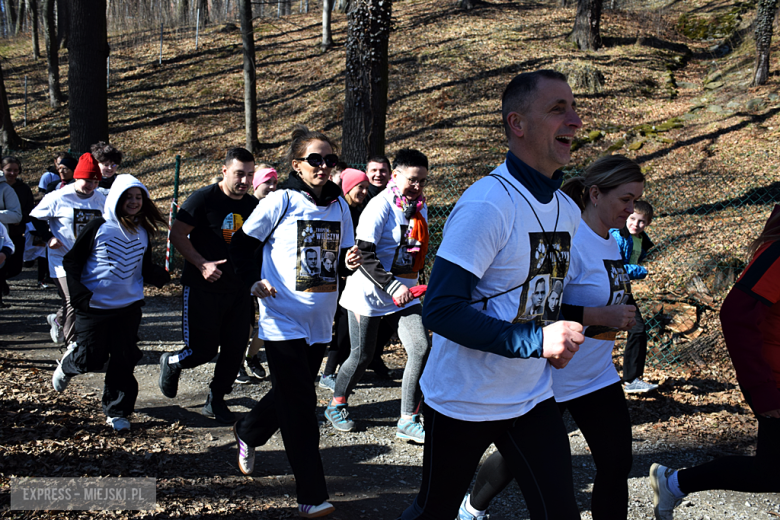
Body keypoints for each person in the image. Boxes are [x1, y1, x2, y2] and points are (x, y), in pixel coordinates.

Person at [398, 69, 584, 520]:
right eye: (558, 109)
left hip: (530, 398)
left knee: (560, 513)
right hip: (463, 399)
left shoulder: (565, 207)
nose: (575, 120)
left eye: (574, 108)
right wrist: (537, 341)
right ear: (517, 123)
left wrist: (576, 326)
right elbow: (441, 310)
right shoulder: (488, 203)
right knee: (434, 511)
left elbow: (535, 296)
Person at [458, 154, 645, 520]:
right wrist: (598, 316)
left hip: (597, 374)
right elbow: (542, 306)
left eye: (635, 200)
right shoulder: (572, 239)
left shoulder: (612, 241)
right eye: (626, 199)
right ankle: (471, 508)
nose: (632, 208)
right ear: (595, 193)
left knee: (617, 463)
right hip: (553, 377)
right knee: (516, 461)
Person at [229, 125, 361, 518]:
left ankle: (248, 431)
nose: (323, 166)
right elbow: (241, 245)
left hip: (320, 320)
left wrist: (347, 263)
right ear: (297, 165)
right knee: (301, 405)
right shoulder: (280, 201)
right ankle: (312, 495)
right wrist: (253, 280)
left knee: (291, 394)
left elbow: (338, 260)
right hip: (282, 317)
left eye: (330, 160)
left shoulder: (339, 207)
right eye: (314, 160)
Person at [649, 205, 780, 520]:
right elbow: (736, 313)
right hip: (774, 383)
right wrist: (761, 389)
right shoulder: (777, 254)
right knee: (771, 473)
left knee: (771, 472)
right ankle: (676, 483)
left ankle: (675, 483)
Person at [325, 149, 431, 444]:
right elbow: (365, 254)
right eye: (413, 180)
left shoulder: (417, 206)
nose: (418, 187)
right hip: (371, 292)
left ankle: (408, 419)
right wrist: (392, 285)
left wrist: (412, 283)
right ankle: (336, 404)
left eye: (423, 181)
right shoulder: (379, 206)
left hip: (406, 293)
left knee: (421, 348)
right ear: (395, 176)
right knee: (361, 356)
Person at [53, 174, 169, 431]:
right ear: (116, 198)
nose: (134, 202)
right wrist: (79, 296)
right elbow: (71, 262)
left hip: (128, 307)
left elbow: (143, 266)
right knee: (91, 359)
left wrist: (158, 276)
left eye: (139, 197)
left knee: (124, 358)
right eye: (128, 197)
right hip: (94, 307)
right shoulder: (98, 226)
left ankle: (118, 412)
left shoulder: (143, 231)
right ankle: (70, 363)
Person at [157, 147, 258, 424]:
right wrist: (202, 264)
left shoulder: (252, 205)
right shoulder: (203, 199)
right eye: (239, 174)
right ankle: (173, 362)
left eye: (250, 175)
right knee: (203, 351)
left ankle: (216, 400)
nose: (245, 181)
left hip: (239, 290)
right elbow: (177, 234)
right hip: (203, 288)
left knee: (235, 349)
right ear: (224, 171)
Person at [30, 153, 106, 346]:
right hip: (62, 258)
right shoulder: (58, 197)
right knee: (72, 299)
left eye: (95, 181)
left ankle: (59, 320)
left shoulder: (101, 198)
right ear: (77, 177)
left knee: (86, 298)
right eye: (87, 181)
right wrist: (49, 238)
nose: (91, 186)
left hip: (90, 258)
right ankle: (72, 345)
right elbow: (34, 217)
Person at [319, 168, 371, 391]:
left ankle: (334, 370)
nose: (364, 191)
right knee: (340, 327)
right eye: (360, 187)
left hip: (353, 273)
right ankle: (328, 373)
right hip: (336, 275)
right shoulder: (338, 209)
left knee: (345, 328)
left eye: (366, 188)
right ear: (348, 187)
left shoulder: (361, 210)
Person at [235, 163, 279, 384]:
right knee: (245, 323)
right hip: (246, 273)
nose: (271, 187)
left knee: (268, 320)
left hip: (270, 273)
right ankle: (236, 363)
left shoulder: (281, 207)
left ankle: (251, 356)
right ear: (255, 184)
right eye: (266, 182)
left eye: (274, 182)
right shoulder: (247, 207)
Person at [610, 200, 659, 393]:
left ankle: (630, 379)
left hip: (623, 289)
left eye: (642, 222)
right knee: (633, 329)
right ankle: (628, 379)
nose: (635, 224)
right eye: (632, 219)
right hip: (611, 288)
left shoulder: (640, 238)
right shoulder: (618, 236)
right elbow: (615, 266)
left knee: (635, 330)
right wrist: (640, 270)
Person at [0, 157, 32, 304]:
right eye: (9, 170)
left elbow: (25, 210)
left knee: (14, 268)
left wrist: (20, 219)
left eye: (15, 170)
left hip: (14, 233)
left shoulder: (20, 188)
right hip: (5, 231)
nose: (12, 173)